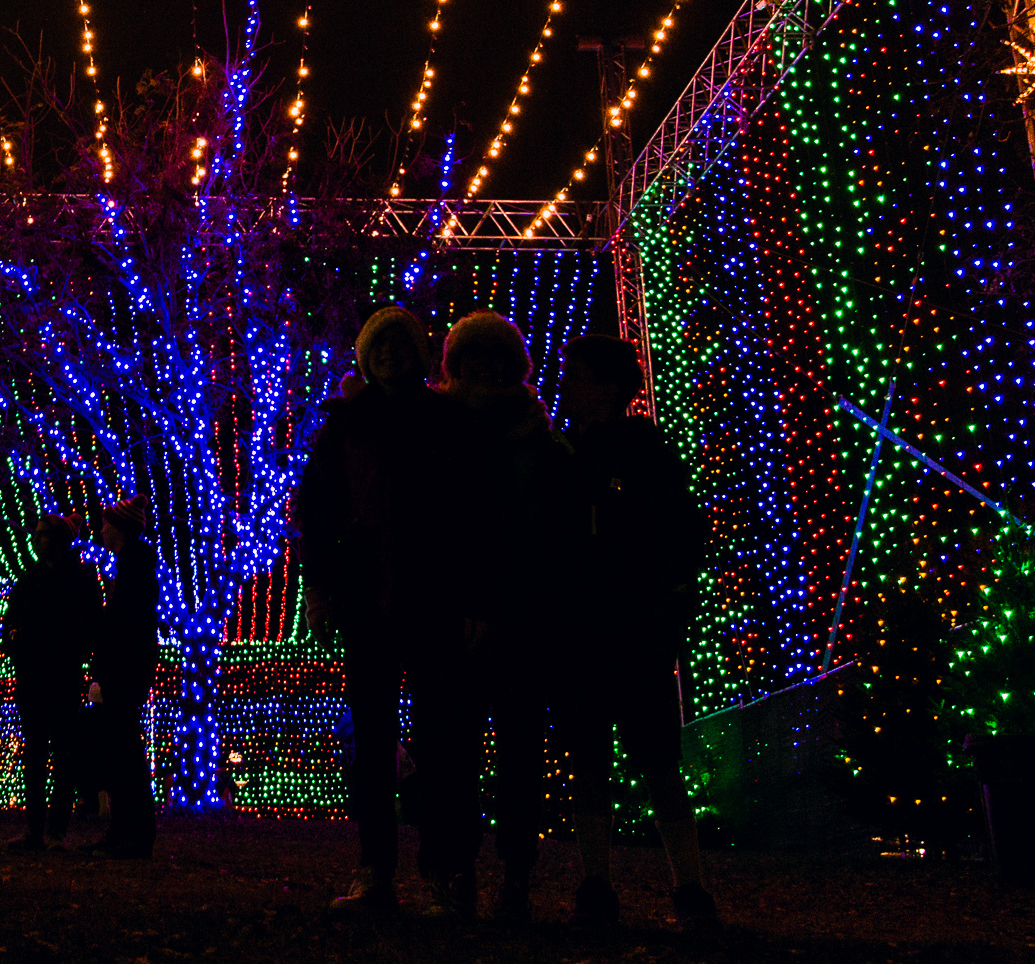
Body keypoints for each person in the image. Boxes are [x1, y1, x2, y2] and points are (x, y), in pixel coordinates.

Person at [555, 334, 718, 932]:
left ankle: (653, 886)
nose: (568, 386)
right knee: (614, 760)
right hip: (603, 629)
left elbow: (679, 538)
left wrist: (664, 605)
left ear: (603, 384)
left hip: (622, 628)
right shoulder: (582, 451)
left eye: (578, 376)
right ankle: (665, 888)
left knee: (642, 760)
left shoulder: (622, 454)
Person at [293, 304, 448, 917]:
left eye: (399, 345)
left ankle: (439, 872)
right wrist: (321, 585)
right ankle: (375, 868)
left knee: (438, 739)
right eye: (378, 347)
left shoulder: (443, 418)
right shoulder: (346, 423)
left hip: (432, 591)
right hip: (367, 595)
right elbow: (317, 509)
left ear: (417, 353)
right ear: (365, 354)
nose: (388, 356)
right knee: (375, 739)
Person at [438, 311, 577, 927]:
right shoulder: (440, 432)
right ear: (457, 364)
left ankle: (515, 876)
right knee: (457, 754)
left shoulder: (540, 441)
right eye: (476, 357)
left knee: (519, 754)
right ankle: (462, 871)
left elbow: (548, 529)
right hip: (459, 617)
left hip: (523, 615)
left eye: (497, 357)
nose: (487, 369)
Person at [3, 513, 102, 851]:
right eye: (38, 533)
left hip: (61, 674)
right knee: (37, 754)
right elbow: (11, 621)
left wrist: (72, 648)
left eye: (46, 534)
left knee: (62, 754)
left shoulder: (79, 578)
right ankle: (35, 829)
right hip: (33, 676)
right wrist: (16, 643)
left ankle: (54, 830)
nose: (40, 539)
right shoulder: (30, 580)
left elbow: (92, 626)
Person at [85, 496, 160, 858]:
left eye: (105, 524)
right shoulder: (132, 563)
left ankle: (134, 833)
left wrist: (107, 669)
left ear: (120, 528)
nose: (101, 530)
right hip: (126, 666)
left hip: (124, 668)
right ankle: (125, 830)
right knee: (120, 749)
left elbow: (125, 625)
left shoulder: (134, 566)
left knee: (124, 750)